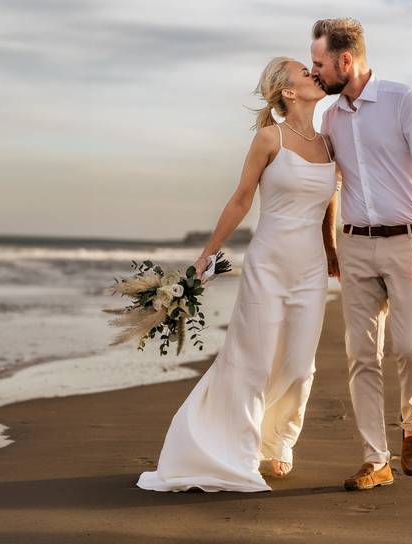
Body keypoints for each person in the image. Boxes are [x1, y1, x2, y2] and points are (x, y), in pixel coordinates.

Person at [136, 56, 337, 492]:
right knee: (253, 359)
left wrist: (332, 249)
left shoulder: (329, 143)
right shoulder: (270, 138)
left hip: (311, 269)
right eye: (305, 71)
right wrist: (207, 254)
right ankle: (241, 452)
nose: (314, 74)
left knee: (300, 364)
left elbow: (329, 202)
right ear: (288, 91)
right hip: (268, 263)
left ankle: (278, 443)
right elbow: (241, 199)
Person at [310, 17, 412, 491]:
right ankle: (376, 459)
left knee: (410, 345)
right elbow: (330, 185)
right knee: (361, 354)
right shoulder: (330, 117)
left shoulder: (403, 101)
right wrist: (331, 244)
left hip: (408, 242)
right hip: (354, 246)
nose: (316, 73)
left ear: (345, 60)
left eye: (320, 63)